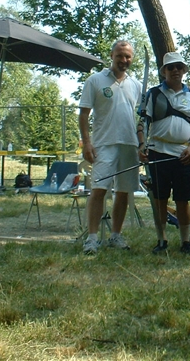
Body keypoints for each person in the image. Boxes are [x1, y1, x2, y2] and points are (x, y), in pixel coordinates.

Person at [79, 40, 142, 255]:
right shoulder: (95, 80)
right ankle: (92, 238)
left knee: (123, 192)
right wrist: (87, 142)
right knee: (98, 190)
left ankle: (116, 235)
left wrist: (142, 144)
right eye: (120, 56)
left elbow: (142, 116)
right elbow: (83, 114)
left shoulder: (136, 85)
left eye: (128, 57)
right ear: (112, 55)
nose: (124, 60)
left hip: (129, 144)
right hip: (103, 144)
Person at [144, 52, 190, 255]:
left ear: (184, 70)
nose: (175, 70)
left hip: (182, 154)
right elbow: (143, 123)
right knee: (160, 199)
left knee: (183, 199)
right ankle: (162, 239)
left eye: (179, 66)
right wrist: (141, 145)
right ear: (164, 71)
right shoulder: (153, 94)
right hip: (158, 152)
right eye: (171, 67)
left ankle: (185, 241)